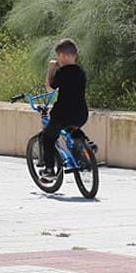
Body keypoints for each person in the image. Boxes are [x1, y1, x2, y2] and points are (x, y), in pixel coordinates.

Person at [40, 38, 89, 178]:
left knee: (48, 137)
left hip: (62, 115)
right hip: (81, 114)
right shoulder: (81, 72)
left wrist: (51, 69)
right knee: (72, 130)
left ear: (63, 55)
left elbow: (50, 89)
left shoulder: (62, 73)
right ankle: (84, 146)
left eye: (58, 56)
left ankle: (49, 170)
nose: (58, 59)